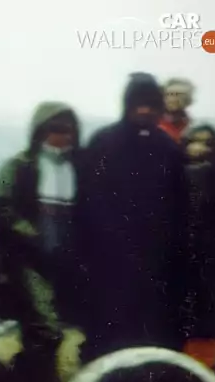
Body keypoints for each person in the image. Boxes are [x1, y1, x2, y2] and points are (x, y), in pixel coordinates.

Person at [0, 103, 83, 382]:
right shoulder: (21, 166)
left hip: (65, 261)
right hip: (27, 260)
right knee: (45, 327)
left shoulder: (79, 168)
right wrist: (29, 234)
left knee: (45, 329)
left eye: (68, 130)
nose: (62, 136)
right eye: (55, 129)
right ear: (40, 131)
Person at [74, 73, 188, 358]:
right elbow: (87, 202)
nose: (144, 110)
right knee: (108, 331)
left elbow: (180, 206)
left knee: (151, 333)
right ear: (127, 105)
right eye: (138, 104)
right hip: (108, 259)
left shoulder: (168, 149)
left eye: (150, 104)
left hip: (157, 261)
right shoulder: (103, 143)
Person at [181, 124, 215, 369]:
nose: (199, 148)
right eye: (194, 141)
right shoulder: (172, 176)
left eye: (207, 142)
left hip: (212, 262)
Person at [160, 78, 194, 143]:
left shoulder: (190, 125)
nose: (173, 99)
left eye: (179, 95)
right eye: (170, 94)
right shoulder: (152, 121)